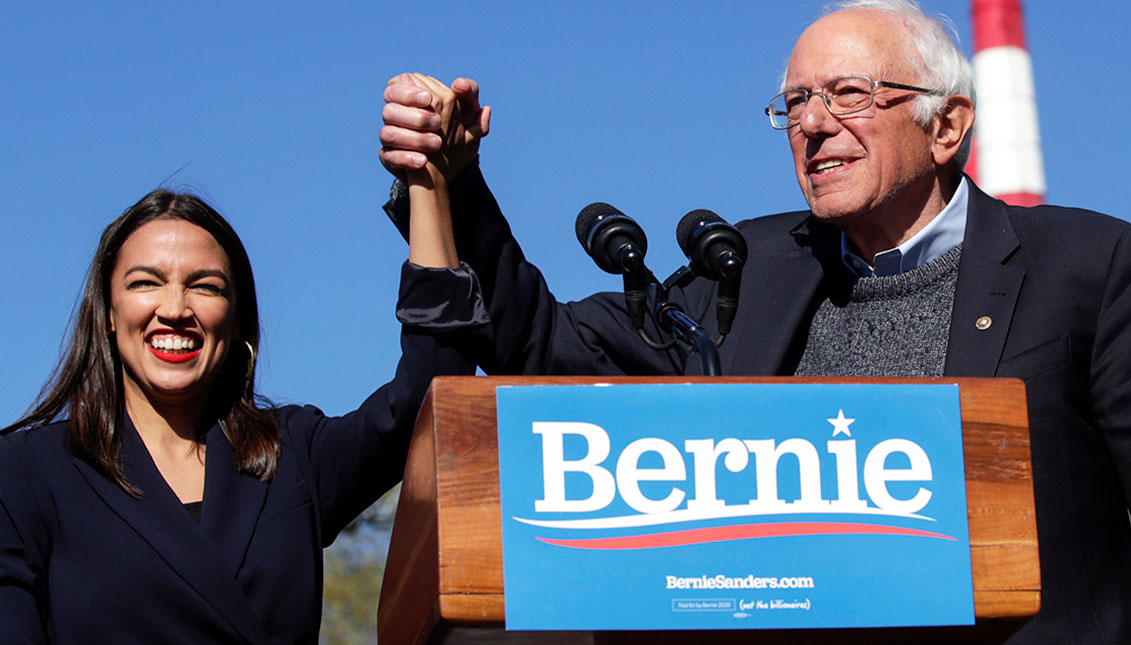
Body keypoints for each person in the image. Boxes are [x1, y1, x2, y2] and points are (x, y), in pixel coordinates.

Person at [378, 1, 1131, 642]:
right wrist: (454, 184)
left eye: (847, 94)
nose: (811, 123)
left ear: (946, 126)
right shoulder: (746, 265)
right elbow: (547, 349)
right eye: (795, 102)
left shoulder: (1087, 265)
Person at [0, 138, 486, 641]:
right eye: (146, 283)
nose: (174, 308)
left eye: (205, 286)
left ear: (237, 322)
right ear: (106, 313)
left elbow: (432, 390)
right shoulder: (22, 474)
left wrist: (426, 178)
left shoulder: (292, 456)